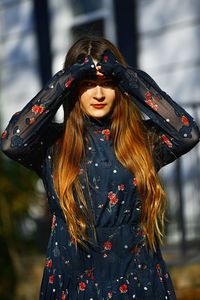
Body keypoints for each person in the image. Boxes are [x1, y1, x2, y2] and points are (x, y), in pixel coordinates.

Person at [0, 36, 199, 300]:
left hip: (139, 281)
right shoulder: (53, 145)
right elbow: (12, 142)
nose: (98, 93)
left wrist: (125, 77)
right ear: (73, 89)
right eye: (87, 84)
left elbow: (187, 134)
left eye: (107, 84)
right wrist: (66, 79)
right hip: (72, 284)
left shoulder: (142, 141)